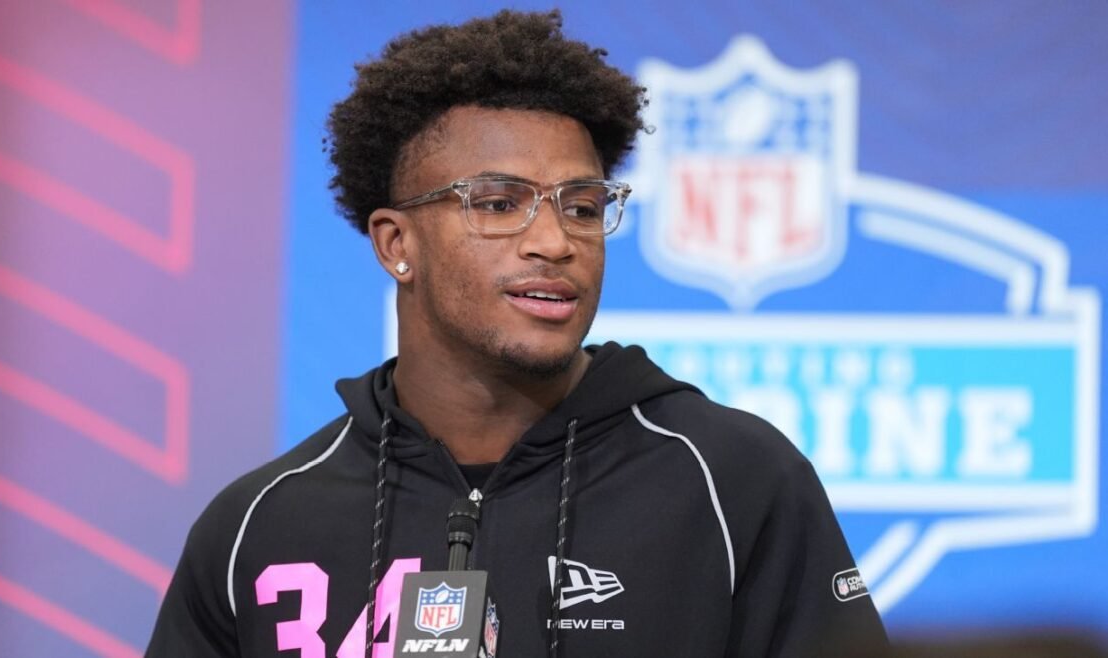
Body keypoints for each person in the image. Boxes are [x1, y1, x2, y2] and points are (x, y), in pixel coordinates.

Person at [147, 10, 888, 657]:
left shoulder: (731, 479)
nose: (556, 242)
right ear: (396, 243)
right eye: (500, 204)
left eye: (583, 207)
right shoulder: (262, 522)